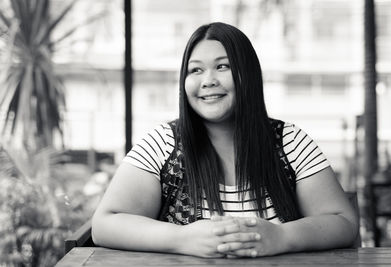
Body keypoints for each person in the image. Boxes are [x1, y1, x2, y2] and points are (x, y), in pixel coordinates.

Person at [91, 22, 359, 258]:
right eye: (195, 70)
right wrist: (182, 239)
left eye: (222, 66)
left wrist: (281, 237)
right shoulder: (162, 144)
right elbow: (105, 223)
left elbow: (343, 222)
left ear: (248, 75)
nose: (208, 81)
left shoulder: (290, 141)